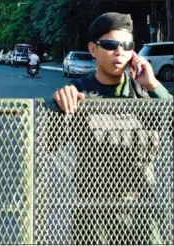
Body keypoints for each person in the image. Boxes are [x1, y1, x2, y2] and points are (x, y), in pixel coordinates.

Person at [51, 12, 172, 244]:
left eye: (127, 45)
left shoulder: (145, 93)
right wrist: (58, 105)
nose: (119, 52)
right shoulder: (78, 93)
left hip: (142, 212)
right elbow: (47, 145)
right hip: (94, 215)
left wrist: (154, 85)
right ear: (93, 49)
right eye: (109, 45)